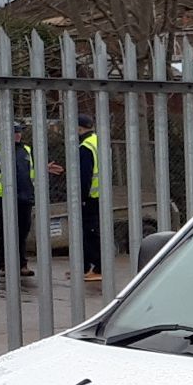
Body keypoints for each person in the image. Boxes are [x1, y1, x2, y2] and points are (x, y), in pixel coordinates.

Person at [0, 123, 36, 279]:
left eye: (19, 132)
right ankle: (2, 265)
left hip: (25, 197)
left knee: (23, 231)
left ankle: (21, 264)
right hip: (5, 197)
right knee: (6, 231)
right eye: (15, 132)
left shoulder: (26, 150)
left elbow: (30, 170)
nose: (18, 135)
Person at [77, 113, 102, 282]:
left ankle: (99, 267)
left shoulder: (85, 146)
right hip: (100, 194)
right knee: (89, 231)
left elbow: (84, 175)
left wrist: (81, 197)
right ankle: (86, 267)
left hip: (90, 196)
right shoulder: (98, 141)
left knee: (89, 232)